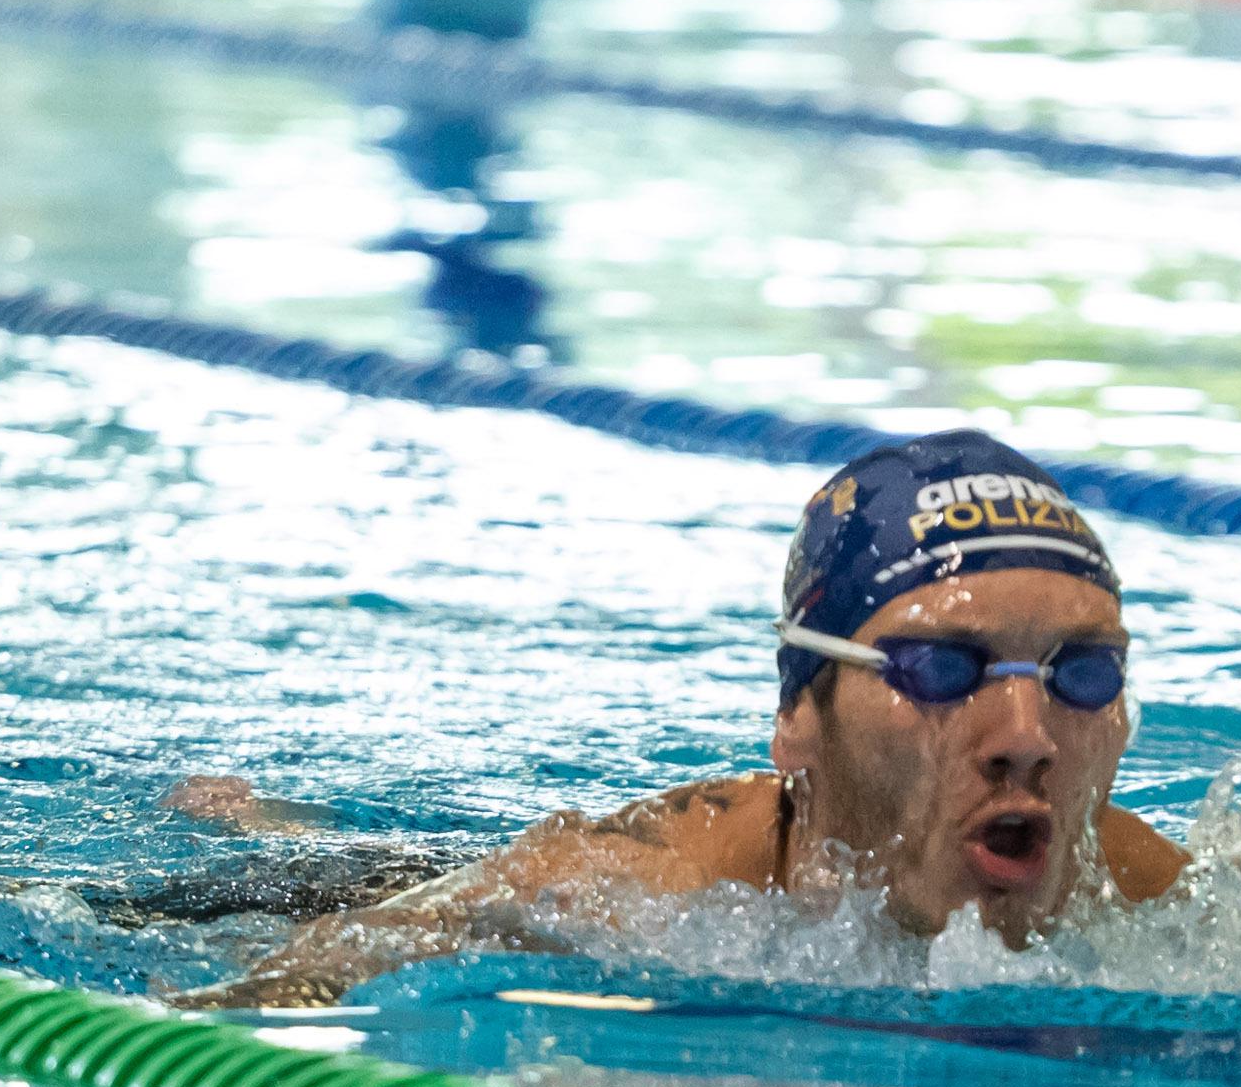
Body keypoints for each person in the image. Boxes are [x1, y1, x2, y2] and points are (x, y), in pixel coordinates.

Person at [177, 430, 1187, 1006]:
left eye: (1081, 673)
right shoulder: (641, 890)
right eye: (935, 667)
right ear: (799, 715)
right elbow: (301, 981)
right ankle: (270, 829)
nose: (1025, 732)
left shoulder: (1170, 909)